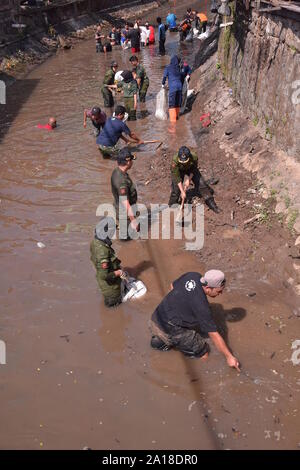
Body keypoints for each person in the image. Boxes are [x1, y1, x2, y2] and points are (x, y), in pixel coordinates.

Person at [150, 270, 240, 370]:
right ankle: (168, 341)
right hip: (170, 328)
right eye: (218, 291)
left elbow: (172, 286)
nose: (221, 293)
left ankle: (161, 341)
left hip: (156, 316)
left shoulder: (193, 275)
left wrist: (181, 306)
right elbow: (213, 334)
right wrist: (229, 357)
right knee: (204, 352)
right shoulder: (202, 307)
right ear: (208, 288)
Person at [169, 146, 220, 212]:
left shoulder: (194, 157)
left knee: (202, 184)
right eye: (182, 162)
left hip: (190, 169)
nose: (183, 163)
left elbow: (194, 170)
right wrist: (182, 192)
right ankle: (172, 205)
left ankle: (212, 204)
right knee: (176, 189)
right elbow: (177, 178)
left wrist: (189, 180)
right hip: (179, 171)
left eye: (185, 162)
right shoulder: (174, 162)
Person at [90, 216, 126, 307]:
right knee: (115, 309)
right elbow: (104, 275)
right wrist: (118, 272)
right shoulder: (103, 253)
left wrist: (118, 227)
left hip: (106, 280)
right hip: (111, 290)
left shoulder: (96, 240)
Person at [111, 148, 140, 239]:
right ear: (128, 162)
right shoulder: (121, 181)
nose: (132, 162)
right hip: (124, 214)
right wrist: (133, 221)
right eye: (131, 160)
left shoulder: (117, 171)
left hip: (120, 209)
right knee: (128, 239)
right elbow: (125, 203)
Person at [162, 55, 183, 122]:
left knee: (172, 104)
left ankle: (173, 122)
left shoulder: (168, 68)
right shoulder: (178, 68)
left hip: (173, 88)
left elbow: (164, 77)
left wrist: (163, 84)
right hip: (179, 87)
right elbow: (181, 78)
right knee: (177, 102)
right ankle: (177, 117)